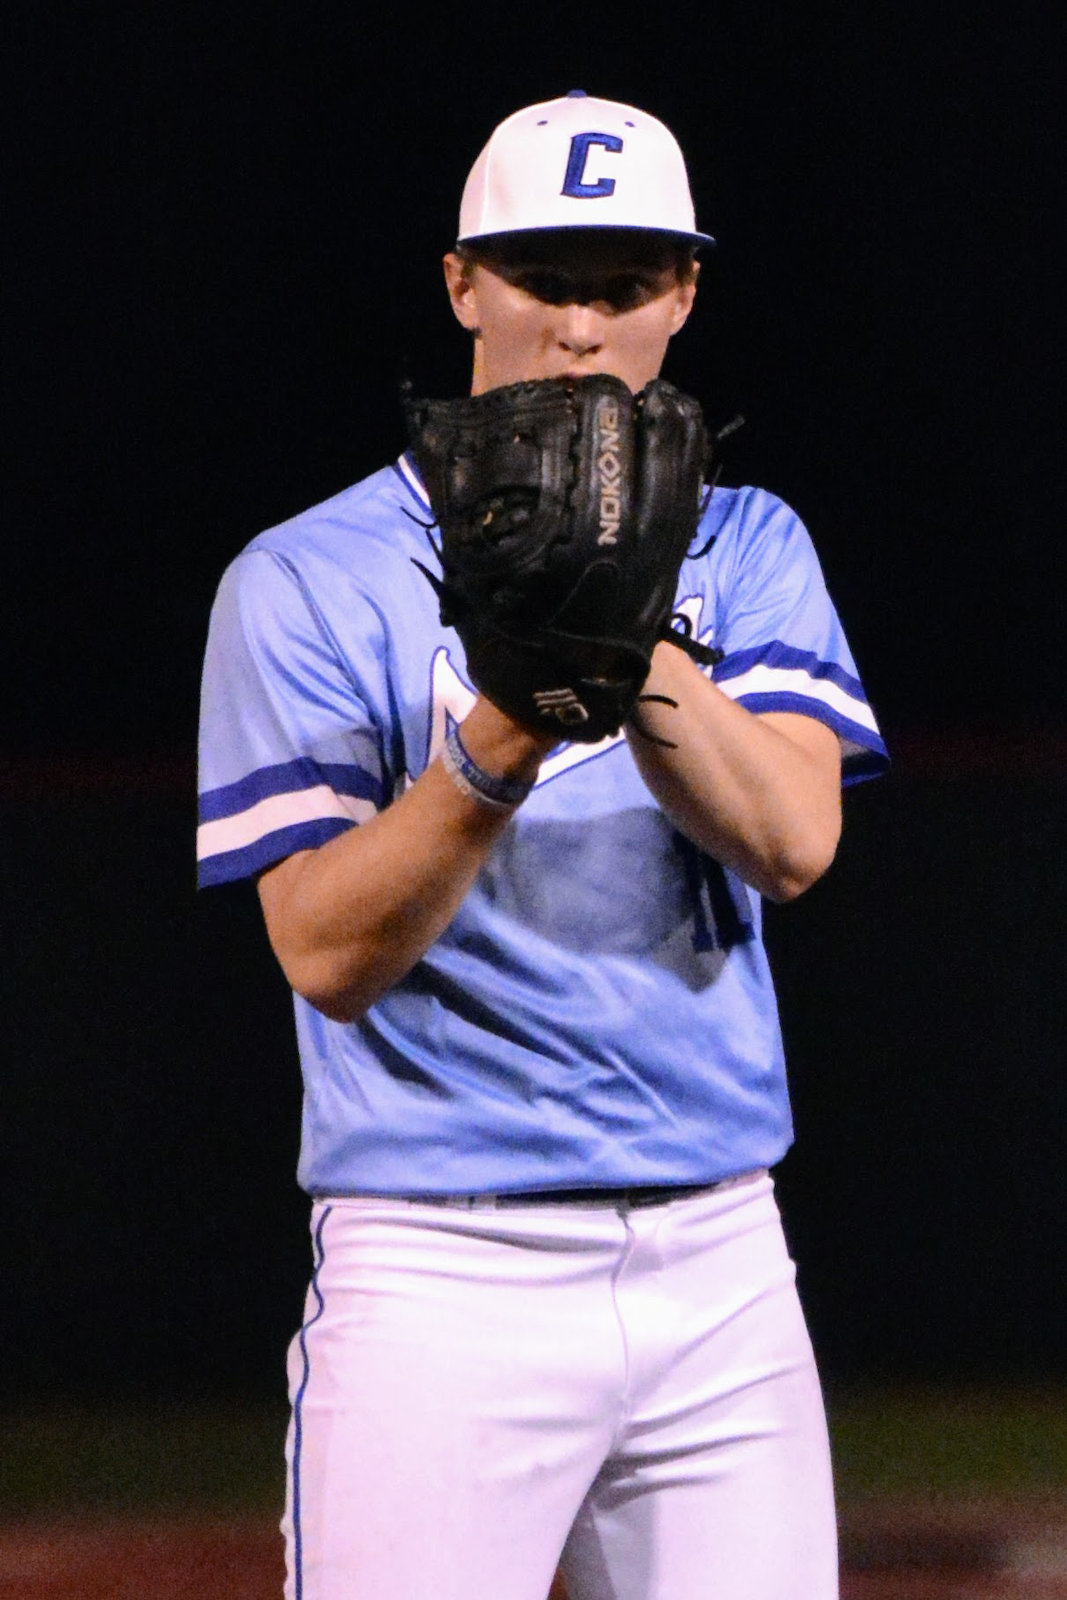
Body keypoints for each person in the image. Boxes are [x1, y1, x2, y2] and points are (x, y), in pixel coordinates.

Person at [197, 90, 888, 1600]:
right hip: (444, 1272)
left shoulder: (750, 544)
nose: (580, 329)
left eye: (624, 283)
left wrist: (624, 636)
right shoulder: (307, 576)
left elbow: (792, 842)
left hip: (721, 1255)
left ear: (682, 296)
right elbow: (323, 950)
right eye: (543, 278)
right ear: (462, 284)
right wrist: (507, 721)